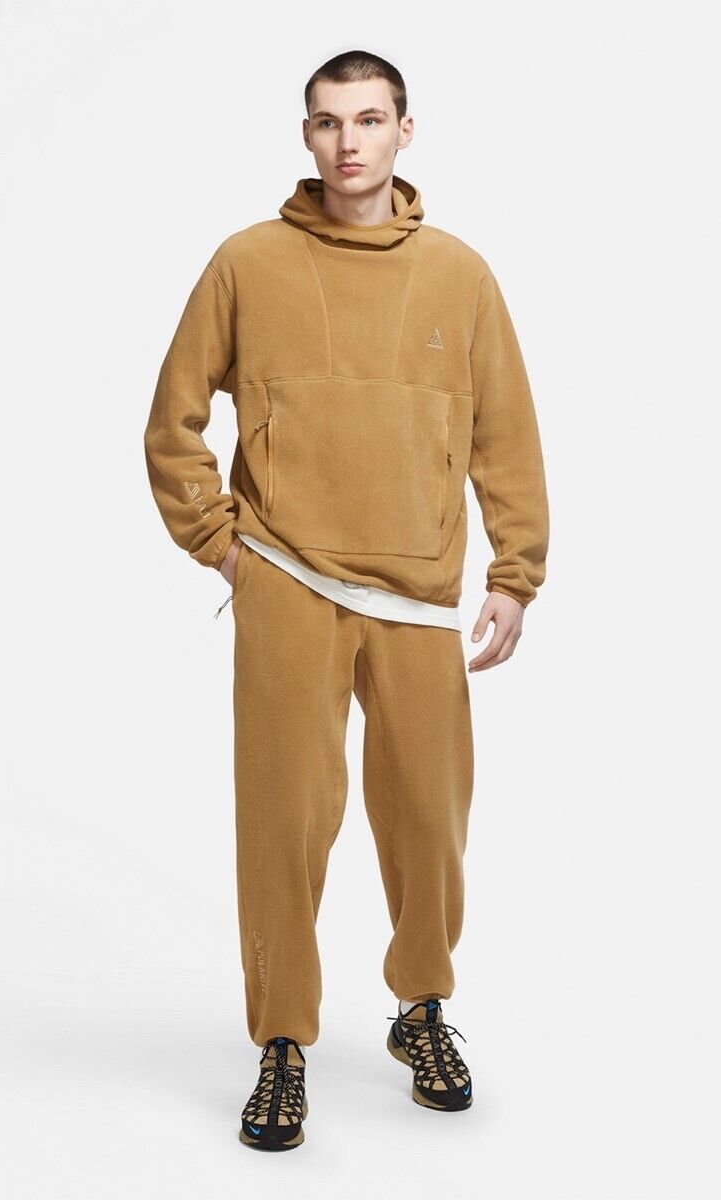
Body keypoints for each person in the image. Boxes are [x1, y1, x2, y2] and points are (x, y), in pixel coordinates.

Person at [143, 49, 548, 1152]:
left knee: (430, 819)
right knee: (283, 820)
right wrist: (223, 547)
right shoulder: (247, 262)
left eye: (369, 120)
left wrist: (514, 573)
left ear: (404, 132)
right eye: (329, 121)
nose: (348, 141)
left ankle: (421, 1010)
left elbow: (506, 436)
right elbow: (173, 422)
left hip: (418, 590)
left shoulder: (460, 275)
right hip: (285, 579)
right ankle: (281, 1039)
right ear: (307, 135)